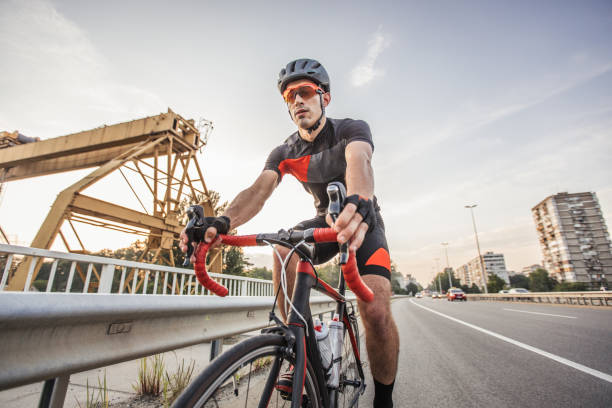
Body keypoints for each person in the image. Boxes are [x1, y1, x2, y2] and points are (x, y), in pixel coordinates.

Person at [180, 58, 399, 408]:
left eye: (305, 92)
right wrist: (221, 222)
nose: (297, 100)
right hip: (323, 220)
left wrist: (359, 201)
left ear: (324, 97)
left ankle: (384, 400)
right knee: (283, 248)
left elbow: (361, 163)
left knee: (375, 310)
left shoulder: (350, 129)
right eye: (288, 96)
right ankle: (301, 352)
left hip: (361, 219)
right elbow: (257, 193)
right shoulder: (284, 150)